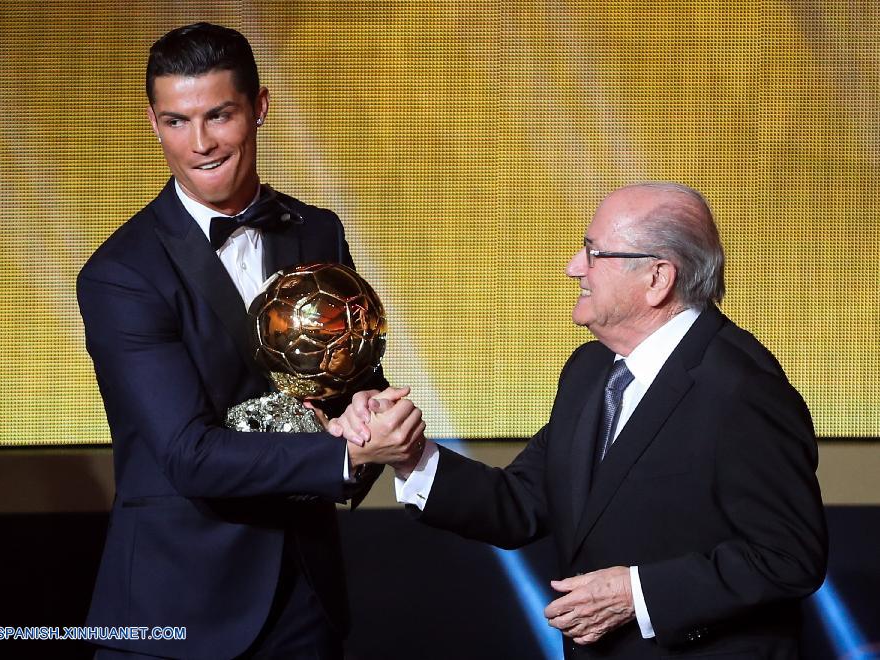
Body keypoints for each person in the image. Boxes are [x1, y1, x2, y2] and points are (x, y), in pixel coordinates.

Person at [343, 182, 828, 658]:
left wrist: (635, 594)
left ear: (658, 278)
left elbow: (788, 558)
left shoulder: (743, 390)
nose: (575, 268)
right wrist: (408, 452)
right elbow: (522, 501)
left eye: (595, 254)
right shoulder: (589, 371)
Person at [77, 22, 422, 659]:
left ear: (259, 108)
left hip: (306, 599)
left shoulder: (316, 230)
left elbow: (344, 378)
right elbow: (187, 454)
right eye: (176, 121)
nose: (199, 143)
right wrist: (345, 457)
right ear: (154, 124)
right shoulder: (121, 274)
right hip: (176, 610)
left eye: (219, 115)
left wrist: (375, 412)